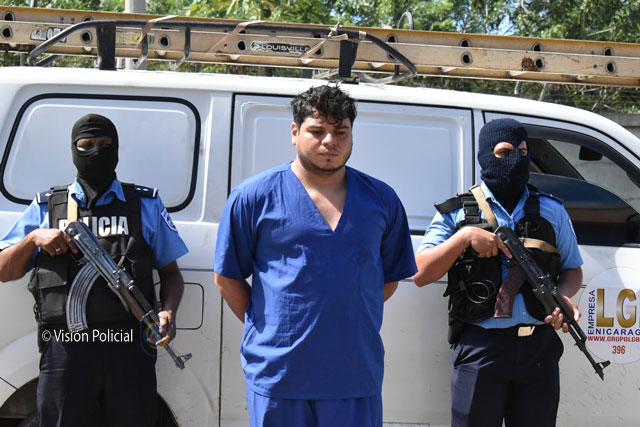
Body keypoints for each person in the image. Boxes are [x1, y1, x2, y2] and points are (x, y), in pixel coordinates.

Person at [214, 85, 417, 427]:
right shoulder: (253, 196)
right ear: (295, 132)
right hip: (279, 376)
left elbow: (388, 279)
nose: (329, 141)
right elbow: (227, 277)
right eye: (317, 131)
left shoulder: (381, 199)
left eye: (341, 132)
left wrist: (345, 313)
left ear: (352, 135)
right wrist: (270, 326)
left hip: (354, 375)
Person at [0, 114, 188, 427]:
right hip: (65, 348)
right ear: (73, 150)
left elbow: (171, 275)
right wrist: (33, 239)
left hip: (129, 346)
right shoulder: (48, 206)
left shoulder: (144, 204)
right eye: (86, 145)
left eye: (104, 144)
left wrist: (168, 312)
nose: (96, 152)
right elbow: (4, 270)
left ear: (117, 149)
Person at [413, 118, 583, 427]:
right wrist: (464, 237)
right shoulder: (458, 212)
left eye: (523, 152)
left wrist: (562, 298)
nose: (516, 159)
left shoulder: (552, 210)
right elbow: (420, 273)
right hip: (481, 348)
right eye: (505, 152)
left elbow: (573, 270)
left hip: (538, 348)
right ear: (485, 155)